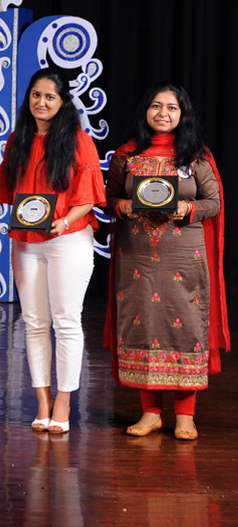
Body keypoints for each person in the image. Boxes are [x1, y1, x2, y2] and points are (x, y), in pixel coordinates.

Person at [0, 68, 106, 434]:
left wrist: (64, 222)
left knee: (66, 322)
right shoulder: (17, 139)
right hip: (26, 242)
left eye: (50, 96)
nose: (41, 102)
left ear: (63, 102)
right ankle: (42, 401)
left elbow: (89, 196)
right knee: (34, 324)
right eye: (36, 95)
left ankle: (64, 403)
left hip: (68, 238)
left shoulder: (79, 140)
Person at [104, 81, 227, 440]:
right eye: (156, 106)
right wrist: (121, 206)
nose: (163, 113)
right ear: (146, 111)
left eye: (171, 108)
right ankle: (151, 413)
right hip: (138, 257)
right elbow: (109, 197)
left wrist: (188, 208)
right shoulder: (125, 155)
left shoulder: (195, 156)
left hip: (184, 257)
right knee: (144, 324)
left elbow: (214, 203)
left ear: (182, 114)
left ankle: (185, 414)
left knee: (185, 326)